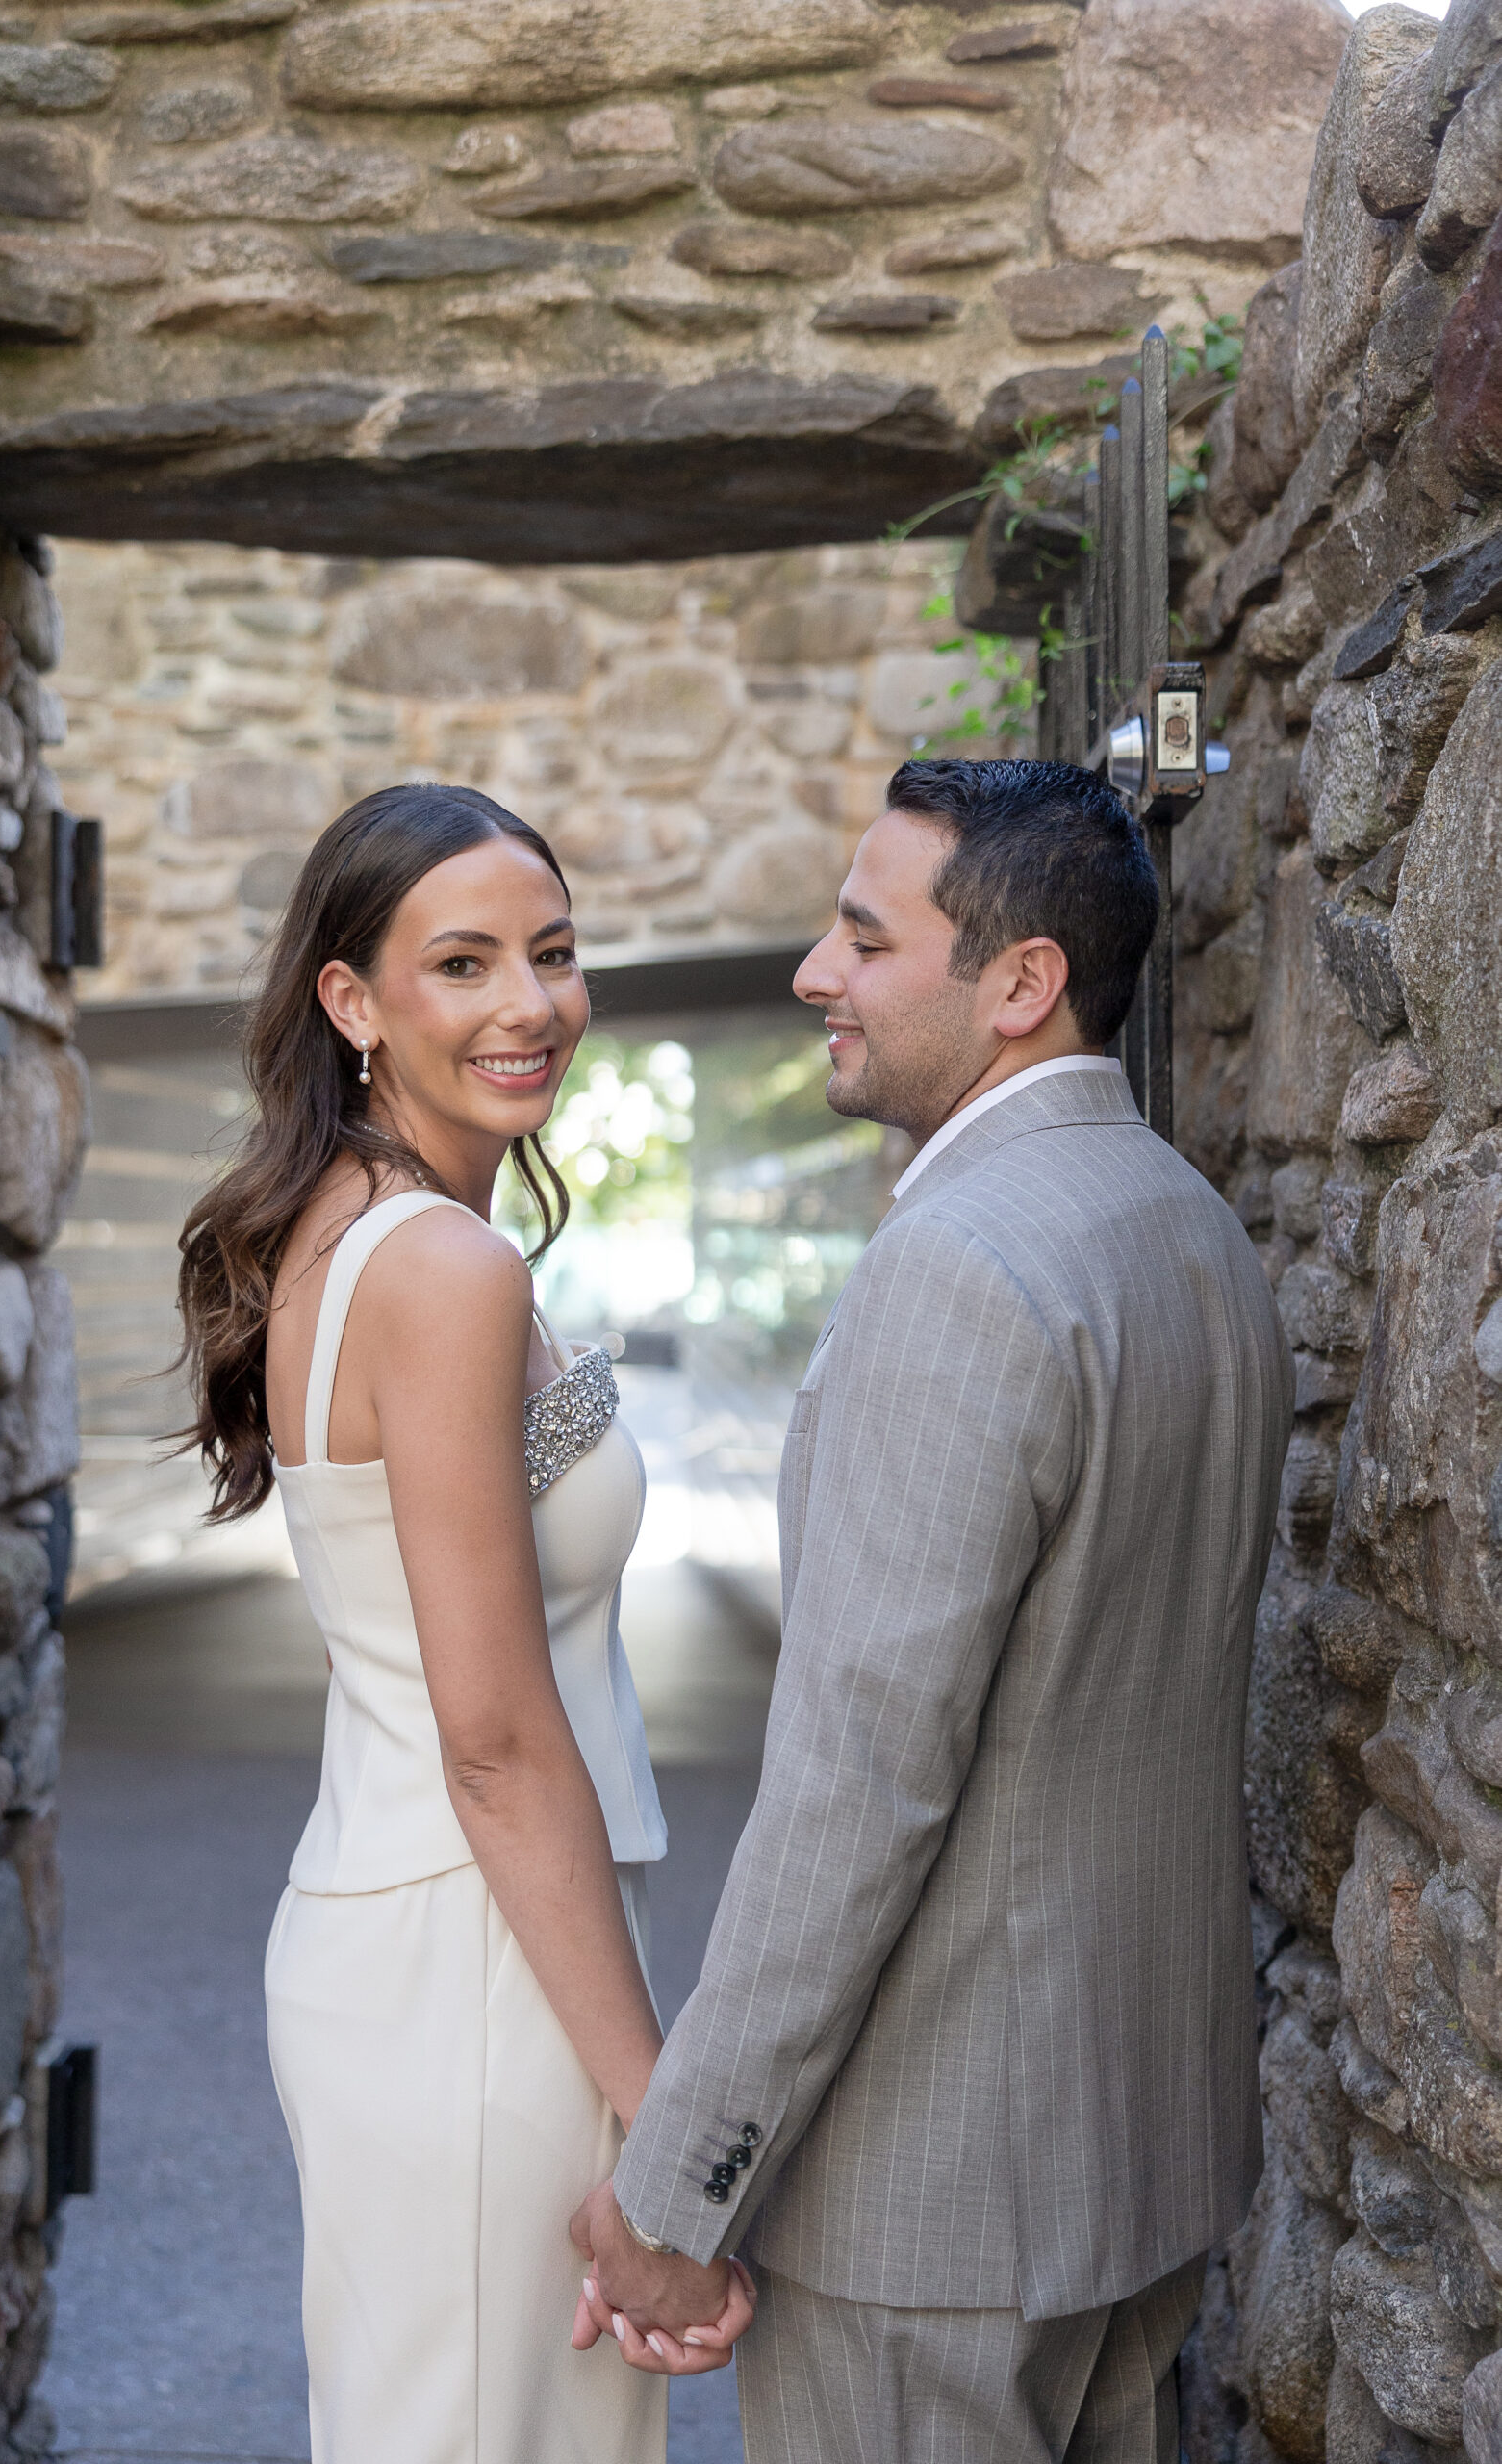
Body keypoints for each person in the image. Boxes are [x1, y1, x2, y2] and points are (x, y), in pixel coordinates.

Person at [574, 757, 1294, 2463]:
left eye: (862, 936)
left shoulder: (962, 1270)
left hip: (938, 2198)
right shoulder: (1188, 1228)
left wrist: (680, 2185)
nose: (817, 974)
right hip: (1140, 2152)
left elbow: (857, 1792)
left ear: (1018, 984)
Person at [172, 782, 751, 2464]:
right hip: (475, 1970)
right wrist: (665, 2121)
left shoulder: (360, 1232)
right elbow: (494, 1742)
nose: (530, 1005)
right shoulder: (436, 1269)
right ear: (352, 1003)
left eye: (555, 956)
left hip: (443, 1938)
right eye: (465, 963)